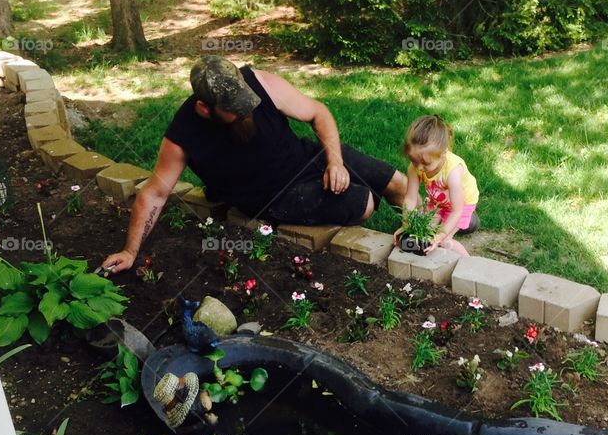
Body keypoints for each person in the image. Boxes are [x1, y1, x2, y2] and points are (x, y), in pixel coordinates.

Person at [103, 56, 407, 273]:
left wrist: (335, 162)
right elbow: (155, 193)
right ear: (204, 108)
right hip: (271, 196)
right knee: (363, 202)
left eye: (246, 103)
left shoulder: (258, 82)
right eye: (235, 110)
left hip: (306, 158)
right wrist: (130, 251)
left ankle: (433, 235)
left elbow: (318, 112)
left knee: (399, 183)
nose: (246, 112)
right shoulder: (184, 135)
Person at [394, 115, 479, 257]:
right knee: (424, 234)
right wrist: (406, 226)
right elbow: (410, 199)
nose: (419, 168)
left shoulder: (453, 171)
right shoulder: (415, 167)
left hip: (461, 205)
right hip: (438, 202)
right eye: (414, 162)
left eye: (426, 163)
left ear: (443, 152)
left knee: (443, 242)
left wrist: (439, 236)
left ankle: (468, 264)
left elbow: (456, 211)